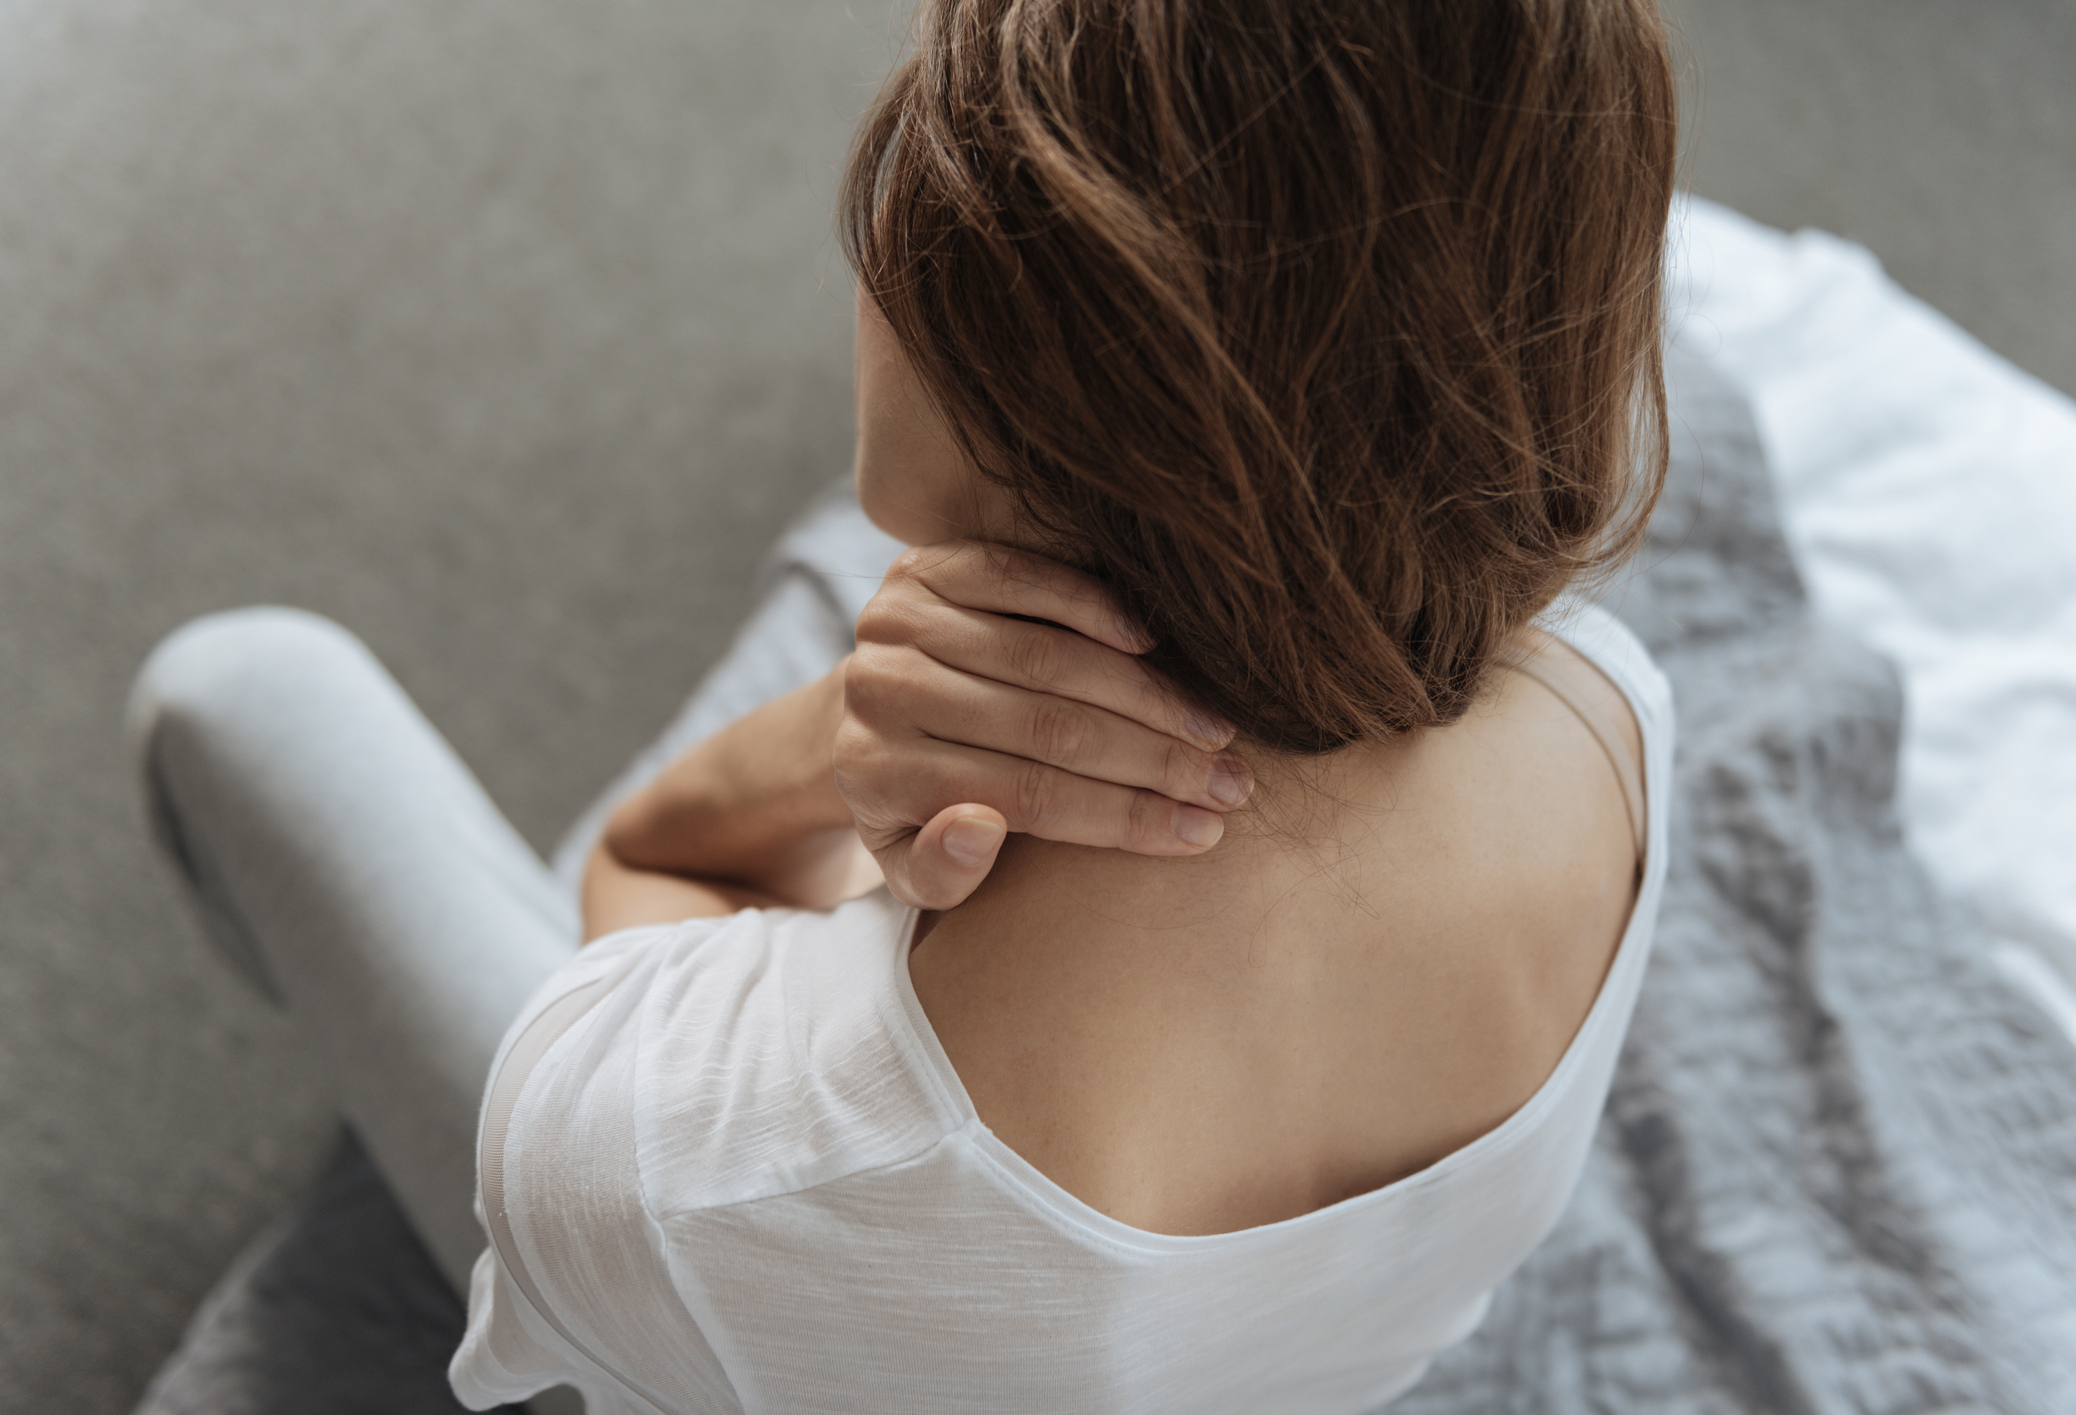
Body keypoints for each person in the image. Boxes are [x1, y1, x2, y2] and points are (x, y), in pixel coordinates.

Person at [129, 0, 1677, 1409]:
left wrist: (821, 745)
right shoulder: (1609, 716)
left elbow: (658, 858)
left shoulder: (733, 1168)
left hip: (742, 1305)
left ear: (1018, 364)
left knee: (237, 697)